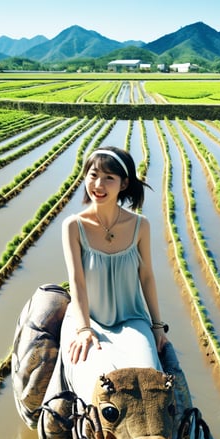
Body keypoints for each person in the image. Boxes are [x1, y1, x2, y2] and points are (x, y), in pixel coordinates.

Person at [59, 146, 169, 403]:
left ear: (124, 183)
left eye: (109, 177)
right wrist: (84, 328)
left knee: (148, 378)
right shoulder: (74, 226)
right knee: (98, 385)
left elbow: (147, 277)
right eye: (93, 175)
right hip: (91, 320)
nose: (98, 184)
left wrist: (157, 326)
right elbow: (76, 280)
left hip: (132, 320)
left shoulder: (140, 225)